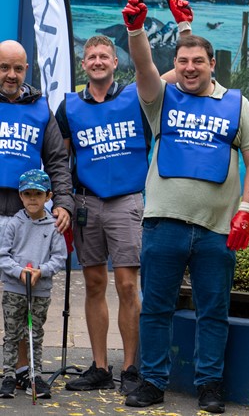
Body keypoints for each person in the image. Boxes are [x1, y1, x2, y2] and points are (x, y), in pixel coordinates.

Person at [120, 0, 249, 413]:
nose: (189, 67)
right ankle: (151, 382)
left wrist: (247, 208)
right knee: (156, 309)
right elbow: (144, 66)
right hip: (163, 223)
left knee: (213, 311)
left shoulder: (237, 104)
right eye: (182, 61)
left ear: (212, 63)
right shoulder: (160, 99)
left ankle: (209, 386)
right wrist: (136, 29)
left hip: (217, 229)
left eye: (197, 61)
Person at [56, 35, 162, 394]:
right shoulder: (69, 106)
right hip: (87, 203)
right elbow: (61, 159)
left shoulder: (136, 96)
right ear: (83, 65)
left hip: (127, 201)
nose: (98, 61)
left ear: (116, 62)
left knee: (128, 285)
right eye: (91, 57)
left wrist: (183, 27)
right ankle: (100, 367)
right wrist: (65, 201)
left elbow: (173, 76)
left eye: (104, 56)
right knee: (95, 284)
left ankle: (130, 367)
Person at [0, 39, 73, 390]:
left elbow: (58, 160)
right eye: (3, 67)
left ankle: (22, 370)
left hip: (25, 214)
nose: (10, 75)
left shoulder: (40, 107)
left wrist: (62, 203)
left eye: (17, 68)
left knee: (22, 297)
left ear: (26, 69)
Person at [0, 169, 67, 400]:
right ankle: (8, 375)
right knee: (12, 334)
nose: (32, 199)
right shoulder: (14, 224)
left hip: (40, 291)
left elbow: (59, 257)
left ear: (48, 196)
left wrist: (42, 271)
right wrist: (19, 272)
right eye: (27, 193)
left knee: (34, 333)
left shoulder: (53, 226)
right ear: (20, 196)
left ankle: (35, 375)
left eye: (37, 194)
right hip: (14, 290)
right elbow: (3, 256)